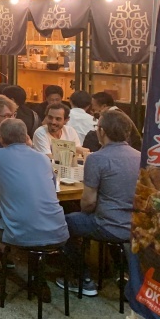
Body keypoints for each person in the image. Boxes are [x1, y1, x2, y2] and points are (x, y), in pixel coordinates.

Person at [0, 118, 69, 299]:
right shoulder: (43, 158)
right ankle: (38, 280)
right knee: (34, 225)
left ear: (0, 138)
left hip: (20, 234)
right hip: (59, 232)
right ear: (27, 137)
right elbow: (53, 186)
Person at [57, 109, 141, 296]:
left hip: (107, 225)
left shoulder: (97, 159)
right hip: (135, 227)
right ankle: (122, 272)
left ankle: (82, 277)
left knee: (62, 222)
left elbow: (87, 203)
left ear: (102, 131)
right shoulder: (140, 157)